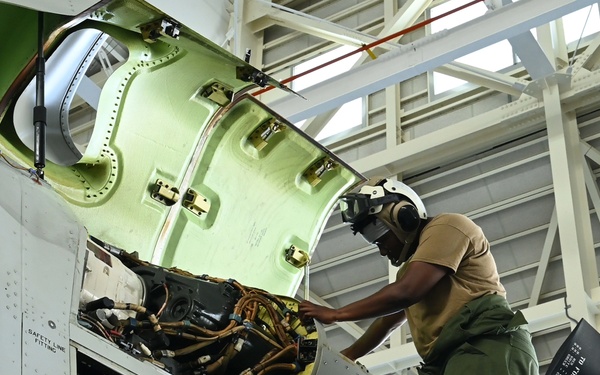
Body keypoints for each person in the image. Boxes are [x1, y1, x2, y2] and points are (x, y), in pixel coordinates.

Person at [298, 177, 539, 375]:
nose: (382, 249)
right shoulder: (413, 271)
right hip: (453, 360)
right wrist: (344, 357)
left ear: (404, 218)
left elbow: (405, 292)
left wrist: (336, 314)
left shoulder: (448, 227)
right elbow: (387, 321)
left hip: (486, 348)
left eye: (381, 239)